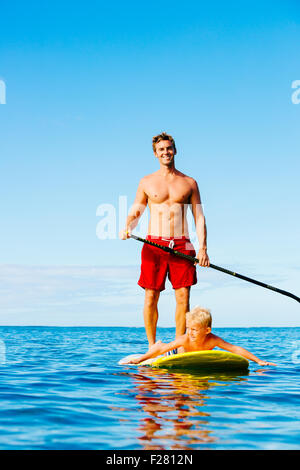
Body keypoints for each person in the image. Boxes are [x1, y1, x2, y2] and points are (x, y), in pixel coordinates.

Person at [119, 132, 210, 347]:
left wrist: (203, 248)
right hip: (154, 245)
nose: (165, 152)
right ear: (155, 154)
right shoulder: (146, 182)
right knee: (151, 296)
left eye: (169, 148)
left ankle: (179, 345)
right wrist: (128, 227)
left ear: (175, 150)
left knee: (183, 298)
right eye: (161, 150)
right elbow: (137, 210)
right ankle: (152, 346)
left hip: (182, 244)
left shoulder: (190, 182)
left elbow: (199, 217)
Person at [123, 306, 277, 366]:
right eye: (188, 328)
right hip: (176, 353)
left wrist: (258, 361)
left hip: (195, 357)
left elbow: (234, 349)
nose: (190, 332)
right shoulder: (185, 338)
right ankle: (156, 343)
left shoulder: (213, 339)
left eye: (195, 330)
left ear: (207, 330)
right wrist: (140, 359)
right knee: (161, 349)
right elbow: (162, 351)